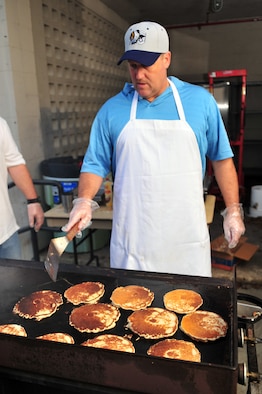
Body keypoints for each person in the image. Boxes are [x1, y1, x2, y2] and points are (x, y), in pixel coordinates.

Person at [63, 21, 245, 277]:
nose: (138, 75)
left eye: (146, 65)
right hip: (133, 245)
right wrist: (83, 201)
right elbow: (95, 164)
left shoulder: (200, 103)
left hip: (186, 242)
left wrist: (233, 210)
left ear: (166, 59)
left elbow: (222, 159)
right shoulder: (111, 110)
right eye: (133, 66)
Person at [0, 116, 44, 259]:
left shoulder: (0, 124)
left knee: (15, 281)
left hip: (5, 232)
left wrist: (33, 201)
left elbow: (15, 164)